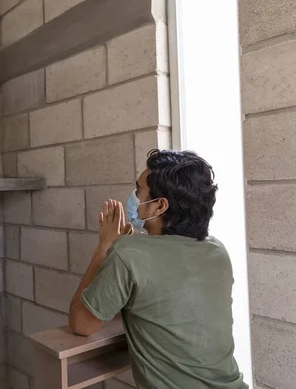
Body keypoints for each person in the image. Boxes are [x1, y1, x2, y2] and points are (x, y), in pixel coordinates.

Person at [68, 149, 247, 388]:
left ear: (159, 206)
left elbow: (82, 324)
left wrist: (105, 246)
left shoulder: (128, 253)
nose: (134, 198)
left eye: (139, 191)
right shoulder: (217, 251)